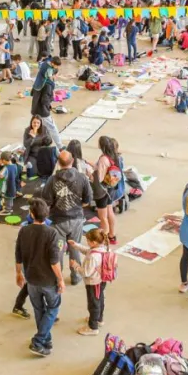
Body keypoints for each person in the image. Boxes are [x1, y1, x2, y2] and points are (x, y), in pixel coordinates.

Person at [15, 199, 65, 357]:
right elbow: (54, 261)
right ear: (47, 215)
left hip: (31, 279)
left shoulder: (24, 231)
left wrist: (18, 273)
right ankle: (38, 341)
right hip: (48, 281)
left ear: (31, 214)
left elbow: (18, 255)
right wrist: (61, 279)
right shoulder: (52, 233)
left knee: (39, 310)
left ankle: (45, 341)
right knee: (53, 308)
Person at [41, 150, 94, 286]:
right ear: (73, 161)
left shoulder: (52, 180)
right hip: (76, 219)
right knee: (75, 248)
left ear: (58, 163)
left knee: (57, 251)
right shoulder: (82, 178)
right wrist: (77, 205)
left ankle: (57, 278)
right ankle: (75, 276)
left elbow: (46, 201)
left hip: (58, 220)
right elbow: (88, 199)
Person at [68, 228, 112, 336]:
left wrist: (75, 265)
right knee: (99, 299)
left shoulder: (93, 257)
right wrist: (76, 245)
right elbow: (87, 250)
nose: (86, 242)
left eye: (88, 240)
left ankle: (93, 327)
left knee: (93, 304)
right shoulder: (103, 248)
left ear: (94, 242)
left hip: (93, 283)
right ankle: (98, 319)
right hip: (101, 280)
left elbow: (86, 272)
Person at [31, 56, 62, 150]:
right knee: (52, 127)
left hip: (35, 108)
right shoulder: (48, 84)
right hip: (43, 110)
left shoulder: (44, 68)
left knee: (39, 128)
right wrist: (50, 104)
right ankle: (60, 146)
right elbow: (45, 100)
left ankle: (34, 144)